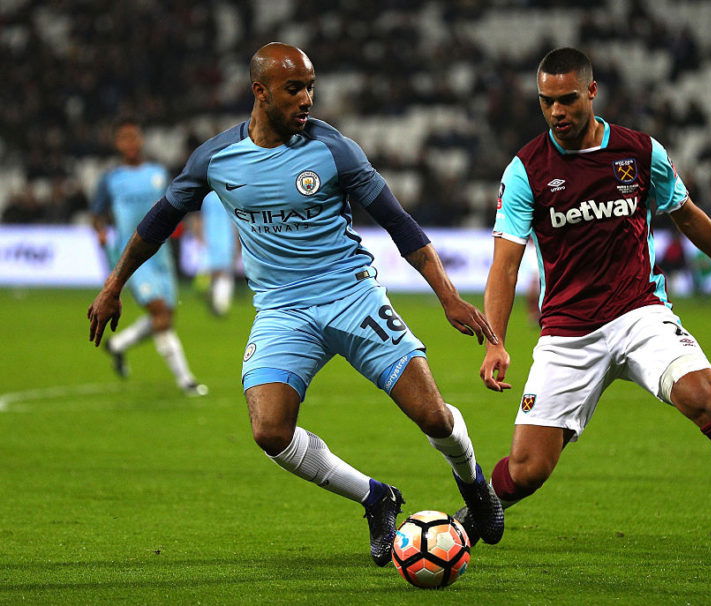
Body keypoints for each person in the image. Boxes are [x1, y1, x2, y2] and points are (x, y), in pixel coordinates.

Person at [87, 43, 504, 566]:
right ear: (260, 91)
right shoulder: (215, 158)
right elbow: (157, 222)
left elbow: (400, 224)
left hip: (351, 296)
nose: (307, 98)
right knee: (270, 432)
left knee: (434, 418)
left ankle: (474, 484)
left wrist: (448, 298)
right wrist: (113, 286)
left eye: (310, 87)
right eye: (294, 89)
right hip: (283, 312)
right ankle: (376, 498)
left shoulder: (335, 150)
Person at [457, 48, 711, 570]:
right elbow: (505, 265)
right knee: (529, 469)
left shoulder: (639, 152)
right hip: (568, 333)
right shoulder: (526, 171)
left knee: (706, 397)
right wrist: (495, 340)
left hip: (639, 313)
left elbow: (688, 216)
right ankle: (468, 519)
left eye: (567, 99)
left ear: (591, 91)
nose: (556, 112)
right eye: (546, 101)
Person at [91, 119, 207, 396]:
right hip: (131, 257)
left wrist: (193, 227)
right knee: (160, 313)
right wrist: (101, 232)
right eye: (124, 138)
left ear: (141, 140)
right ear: (117, 144)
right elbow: (97, 214)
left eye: (134, 137)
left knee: (165, 316)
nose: (130, 143)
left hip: (161, 254)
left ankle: (117, 345)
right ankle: (186, 380)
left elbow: (177, 203)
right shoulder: (111, 179)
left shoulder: (158, 173)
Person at [196, 190, 239, 316]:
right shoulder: (229, 195)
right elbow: (236, 220)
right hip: (225, 238)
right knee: (224, 272)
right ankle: (221, 305)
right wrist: (237, 240)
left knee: (216, 271)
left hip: (211, 237)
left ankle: (217, 301)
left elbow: (200, 218)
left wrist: (200, 235)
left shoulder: (207, 196)